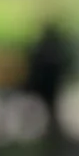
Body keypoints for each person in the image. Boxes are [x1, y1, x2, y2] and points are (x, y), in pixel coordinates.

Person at [21, 20, 72, 149]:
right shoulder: (53, 50)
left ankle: (52, 138)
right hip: (46, 85)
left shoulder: (43, 50)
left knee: (50, 112)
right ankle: (51, 137)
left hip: (46, 85)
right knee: (49, 112)